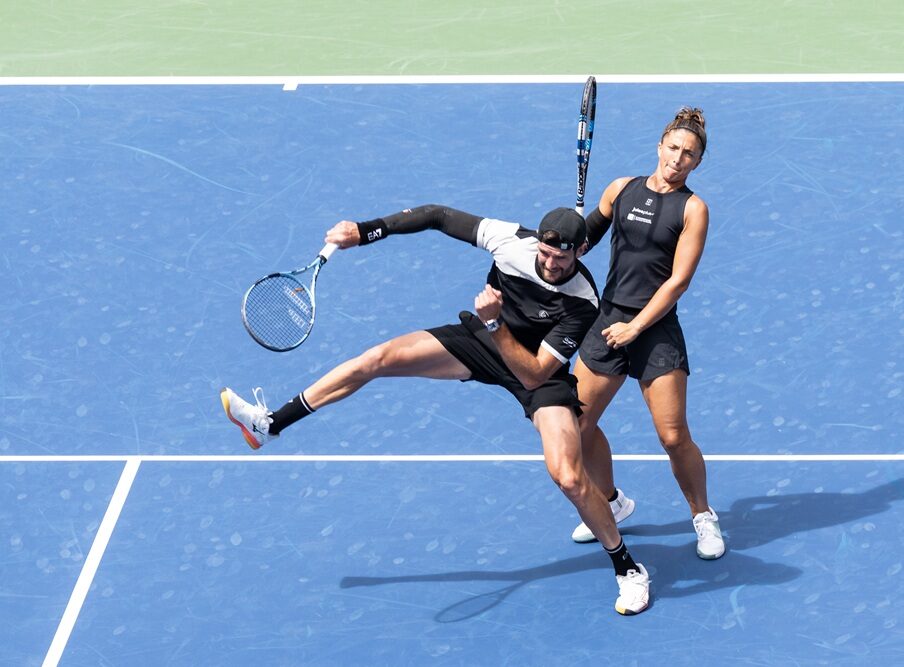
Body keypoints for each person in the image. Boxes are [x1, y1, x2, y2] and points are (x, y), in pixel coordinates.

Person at [221, 205, 651, 615]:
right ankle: (271, 423)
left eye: (561, 258)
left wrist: (495, 323)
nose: (551, 264)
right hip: (481, 344)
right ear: (537, 241)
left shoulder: (582, 301)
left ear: (580, 251)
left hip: (536, 370)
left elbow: (536, 374)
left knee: (570, 478)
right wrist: (367, 231)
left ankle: (627, 566)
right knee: (376, 360)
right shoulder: (511, 241)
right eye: (545, 252)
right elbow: (438, 216)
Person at [568, 107, 726, 560]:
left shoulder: (694, 209)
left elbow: (678, 281)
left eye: (689, 154)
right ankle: (612, 504)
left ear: (698, 162)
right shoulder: (620, 189)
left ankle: (703, 516)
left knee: (673, 436)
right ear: (659, 146)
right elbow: (583, 242)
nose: (678, 159)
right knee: (578, 424)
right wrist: (568, 236)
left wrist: (636, 326)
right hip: (607, 321)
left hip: (653, 329)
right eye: (673, 148)